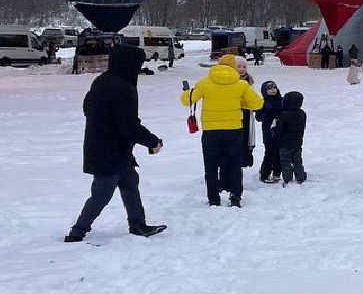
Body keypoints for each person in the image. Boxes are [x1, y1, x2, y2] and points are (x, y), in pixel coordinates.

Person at [64, 44, 166, 242]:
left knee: (130, 183)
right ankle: (77, 232)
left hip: (111, 149)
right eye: (138, 64)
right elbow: (128, 125)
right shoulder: (123, 88)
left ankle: (138, 224)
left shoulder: (102, 81)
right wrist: (152, 142)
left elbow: (87, 107)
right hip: (108, 152)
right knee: (102, 193)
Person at [182, 54, 263, 207]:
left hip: (211, 132)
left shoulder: (204, 83)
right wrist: (240, 103)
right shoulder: (241, 85)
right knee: (234, 164)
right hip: (234, 130)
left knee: (211, 166)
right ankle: (235, 196)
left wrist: (186, 90)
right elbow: (257, 104)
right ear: (233, 67)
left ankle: (214, 199)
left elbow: (186, 100)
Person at [272, 91, 308, 185]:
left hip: (284, 144)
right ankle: (300, 177)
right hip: (297, 142)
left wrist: (274, 131)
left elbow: (279, 130)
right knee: (297, 160)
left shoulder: (282, 115)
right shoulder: (302, 113)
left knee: (285, 161)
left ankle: (287, 178)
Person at [256, 79, 284, 183]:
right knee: (270, 153)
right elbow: (258, 117)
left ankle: (277, 173)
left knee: (280, 153)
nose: (272, 90)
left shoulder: (281, 100)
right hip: (268, 132)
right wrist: (266, 113)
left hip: (280, 131)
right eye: (269, 88)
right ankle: (265, 174)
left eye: (274, 87)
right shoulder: (263, 102)